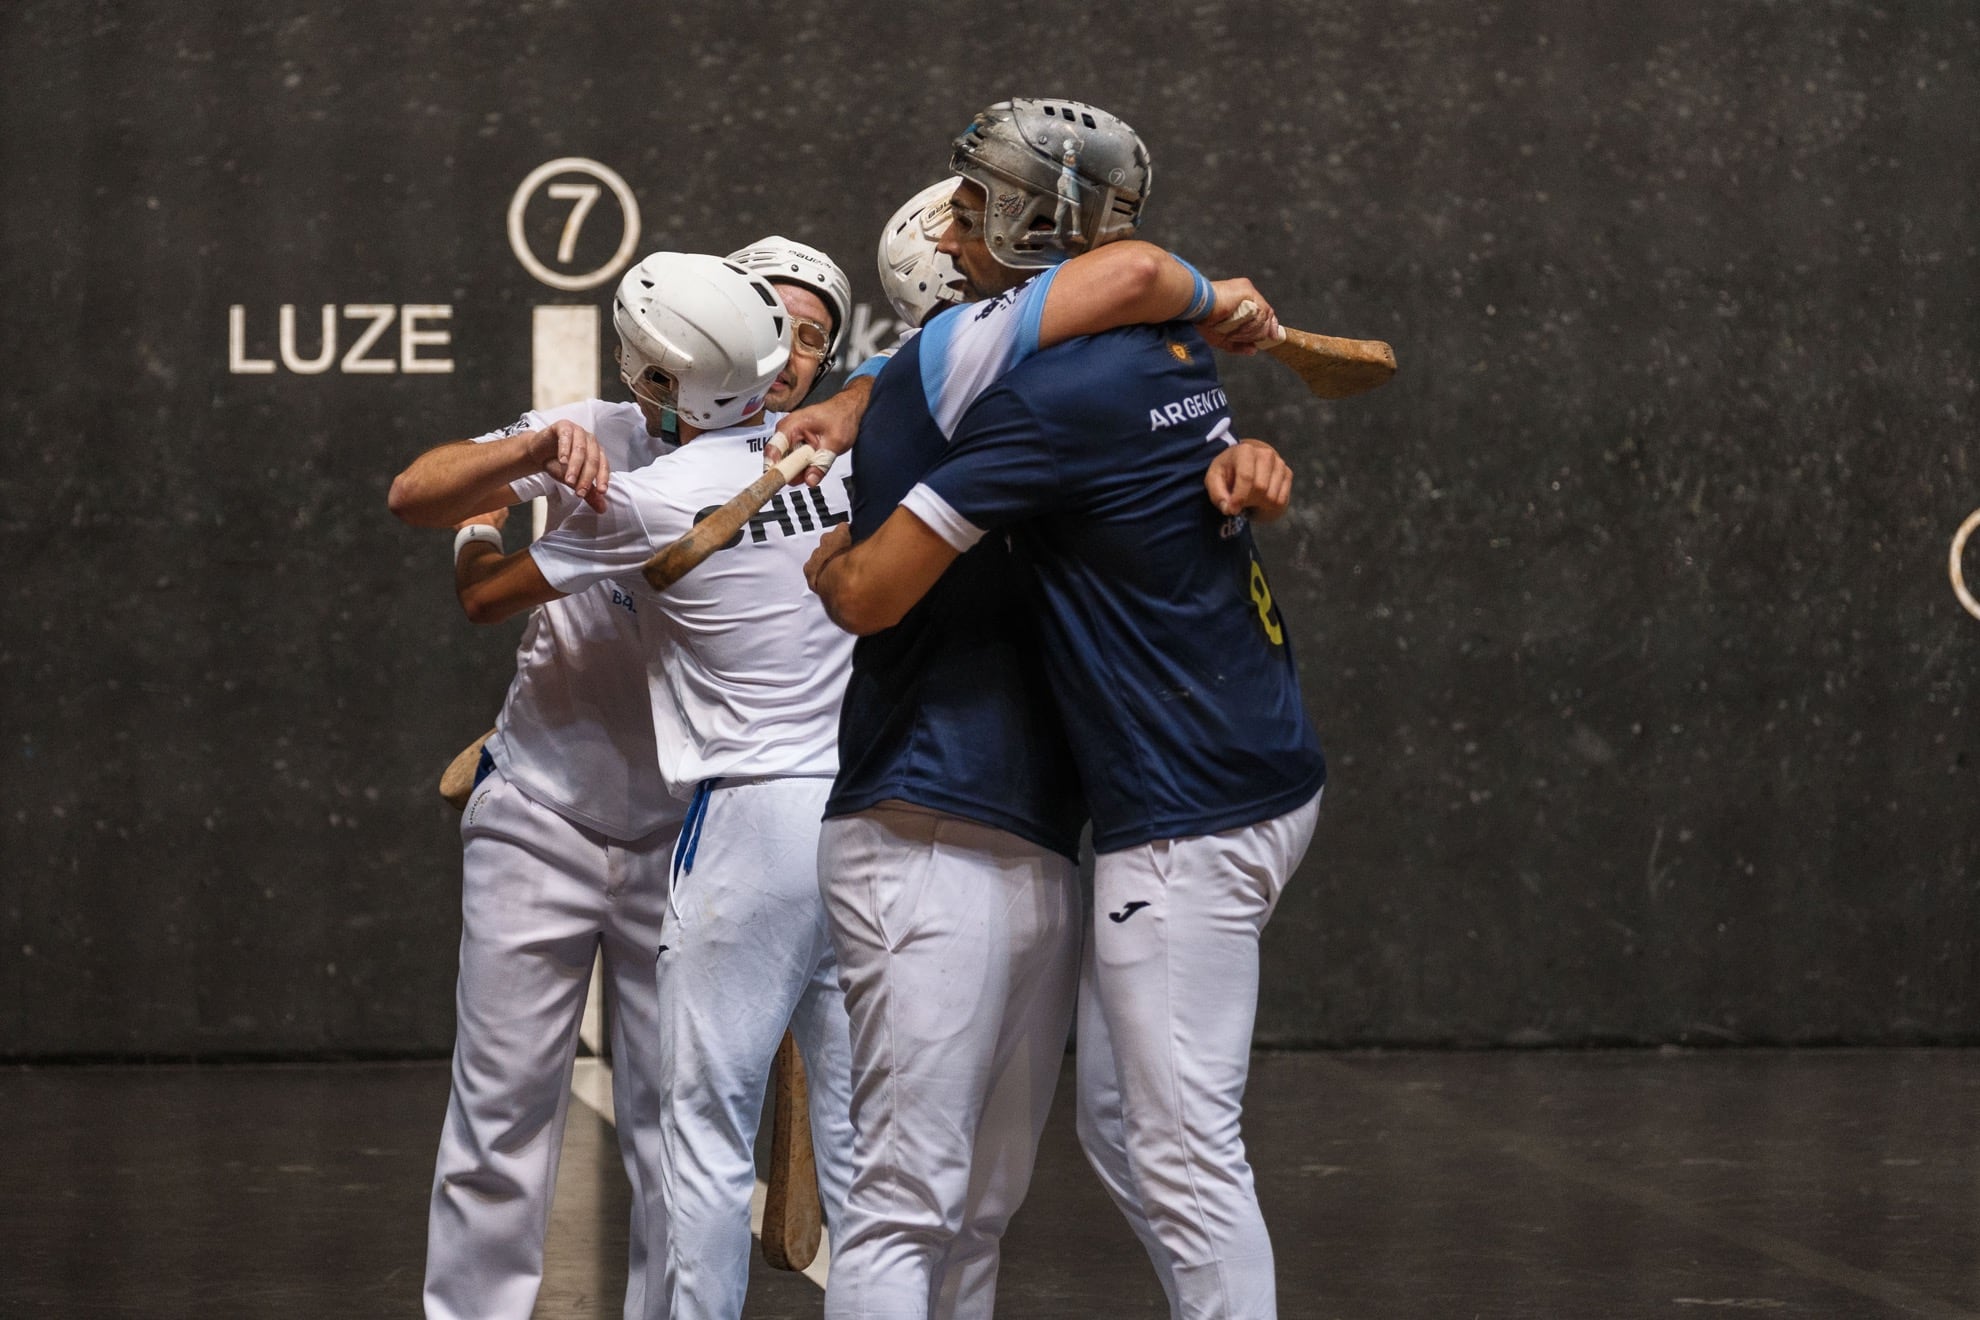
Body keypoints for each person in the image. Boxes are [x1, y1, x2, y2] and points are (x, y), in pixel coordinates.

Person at [793, 101, 1300, 1320]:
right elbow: (1129, 274)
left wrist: (1239, 456)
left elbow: (1119, 332)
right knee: (920, 1201)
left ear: (1033, 228)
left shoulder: (1107, 377)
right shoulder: (1037, 371)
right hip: (926, 822)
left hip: (1054, 832)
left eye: (972, 214)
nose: (953, 237)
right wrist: (1209, 295)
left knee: (986, 1201)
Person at [388, 236, 852, 1320]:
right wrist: (528, 454)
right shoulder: (595, 427)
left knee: (671, 1136)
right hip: (541, 813)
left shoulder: (825, 466)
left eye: (811, 337)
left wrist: (477, 539)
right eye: (770, 319)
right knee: (499, 1111)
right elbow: (420, 491)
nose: (786, 352)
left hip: (696, 840)